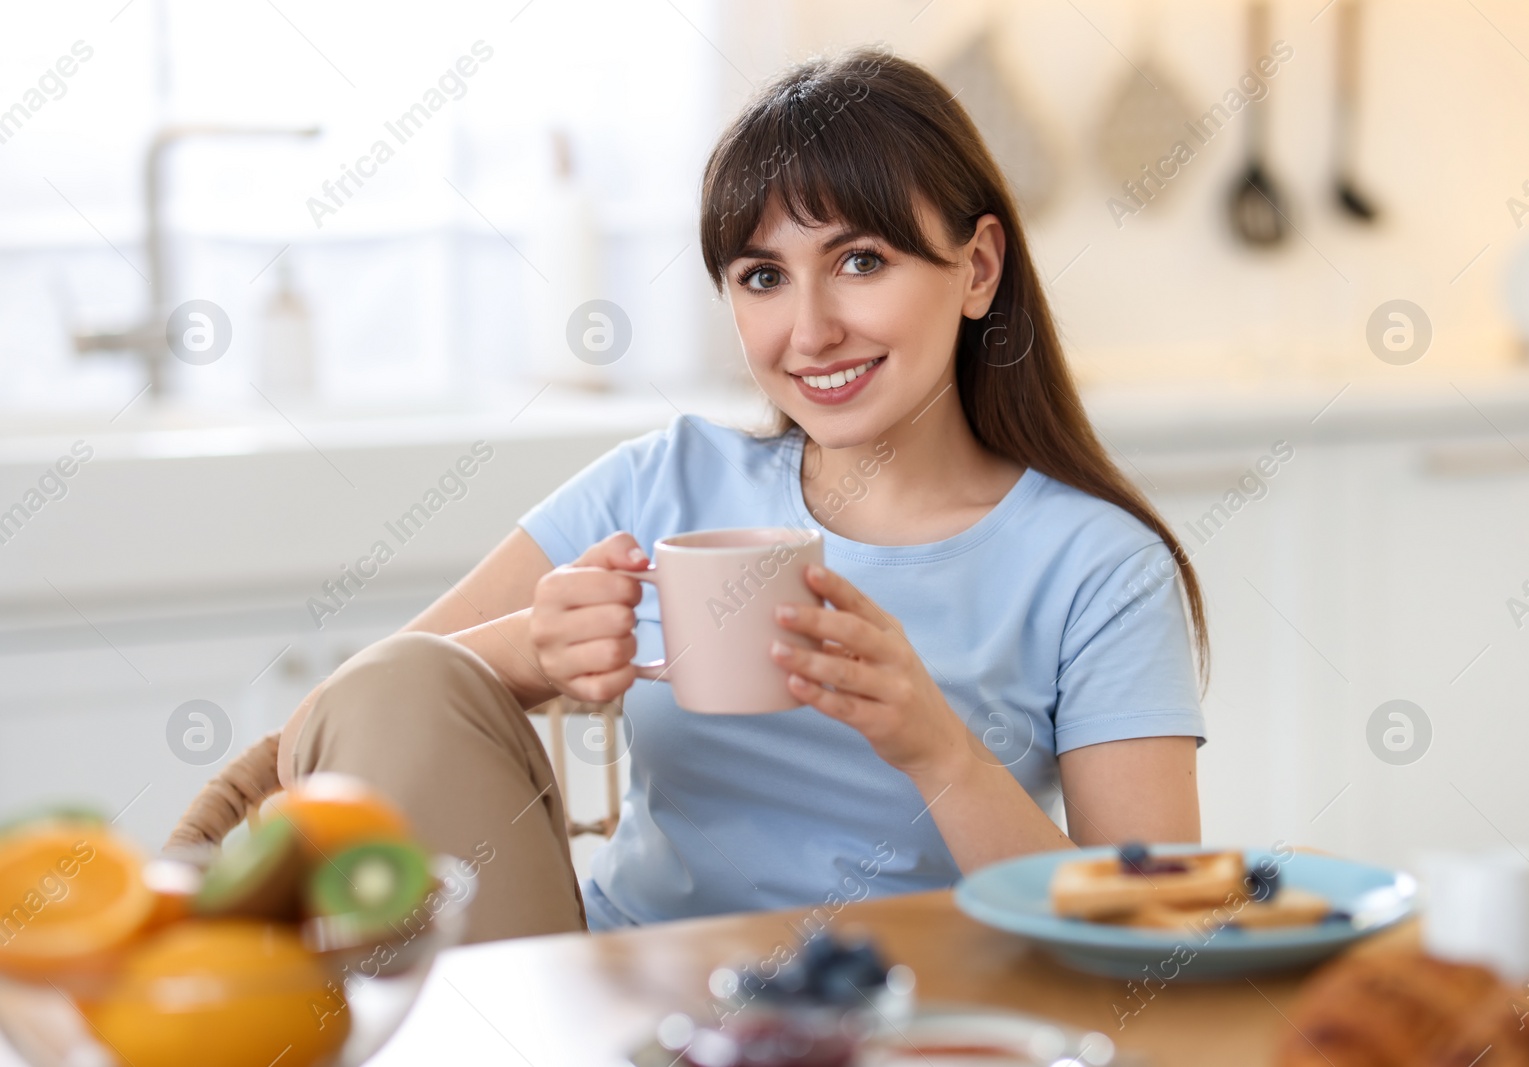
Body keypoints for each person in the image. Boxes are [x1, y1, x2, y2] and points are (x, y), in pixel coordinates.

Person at [168, 46, 1208, 942]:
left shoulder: (1097, 566)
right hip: (618, 1003)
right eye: (762, 276)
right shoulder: (662, 482)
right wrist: (533, 652)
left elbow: (1151, 932)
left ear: (976, 267)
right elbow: (349, 716)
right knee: (401, 677)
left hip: (916, 1018)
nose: (808, 330)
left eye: (858, 259)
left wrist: (938, 747)